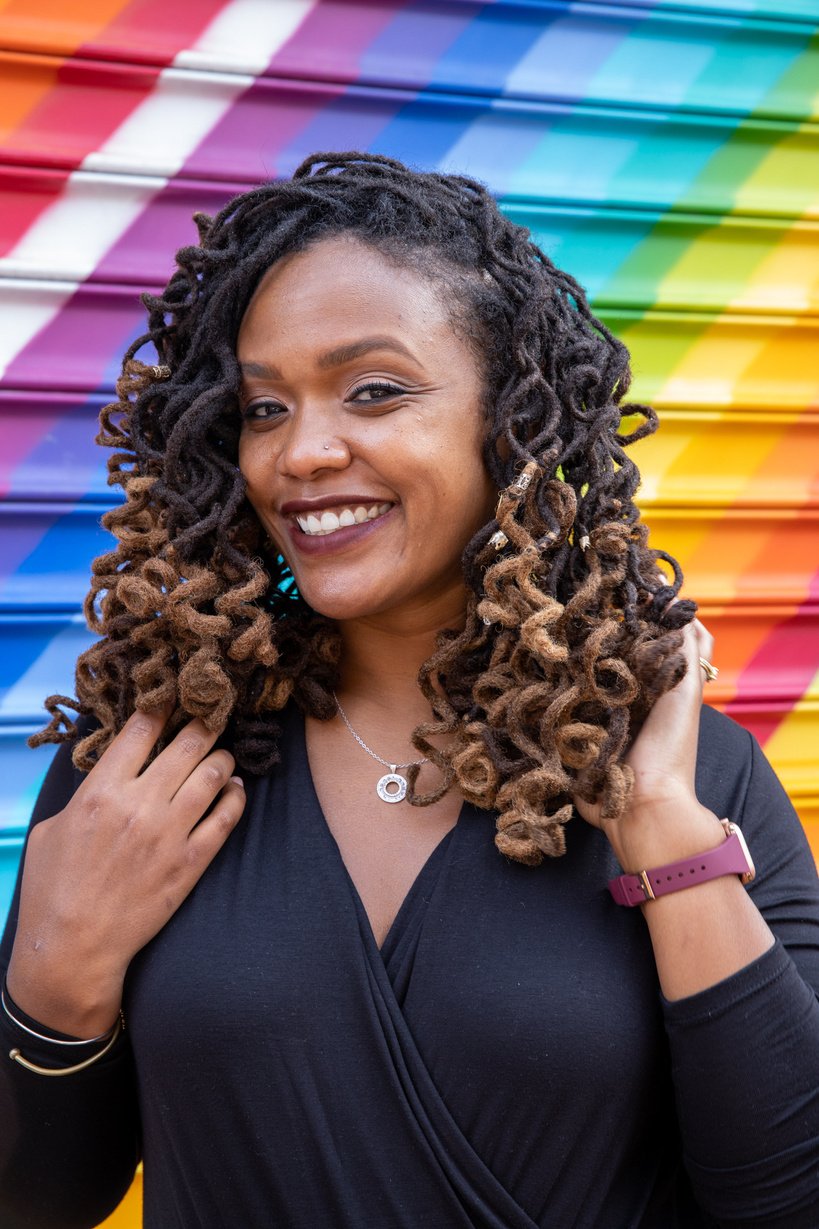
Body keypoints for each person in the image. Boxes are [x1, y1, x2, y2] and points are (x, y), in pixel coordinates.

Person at [1, 151, 818, 1229]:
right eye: (262, 407)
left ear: (509, 421)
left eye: (373, 390)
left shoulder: (692, 780)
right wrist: (53, 986)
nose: (302, 451)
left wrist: (666, 837)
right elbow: (39, 1198)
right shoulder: (150, 767)